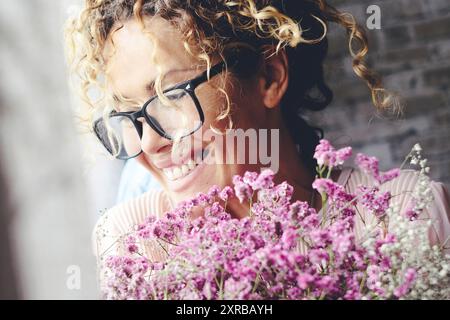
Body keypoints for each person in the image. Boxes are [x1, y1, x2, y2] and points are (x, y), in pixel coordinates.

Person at [65, 0, 450, 268]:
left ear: (270, 77)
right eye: (128, 112)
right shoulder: (131, 246)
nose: (148, 142)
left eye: (170, 96)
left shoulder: (406, 216)